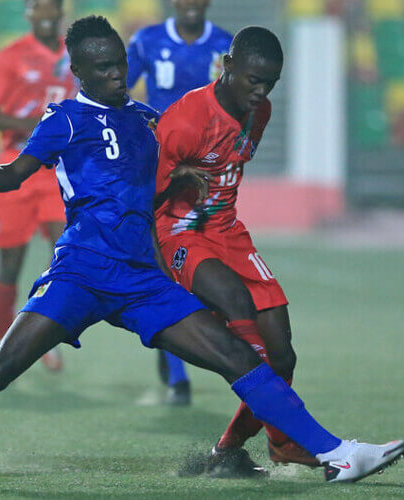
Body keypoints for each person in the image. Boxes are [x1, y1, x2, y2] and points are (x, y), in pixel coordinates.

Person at [0, 16, 404, 484]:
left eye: (120, 64)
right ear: (80, 72)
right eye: (103, 68)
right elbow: (16, 175)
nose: (117, 75)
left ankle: (335, 453)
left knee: (237, 355)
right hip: (80, 274)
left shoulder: (147, 118)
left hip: (142, 281)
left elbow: (159, 180)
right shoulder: (64, 122)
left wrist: (181, 185)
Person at [153, 27, 320, 477]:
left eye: (269, 84)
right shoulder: (186, 119)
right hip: (180, 234)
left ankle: (226, 453)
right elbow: (142, 200)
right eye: (252, 80)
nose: (260, 91)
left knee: (283, 354)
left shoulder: (258, 112)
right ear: (227, 67)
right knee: (238, 308)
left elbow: (231, 167)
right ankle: (284, 440)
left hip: (229, 234)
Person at [127, 0, 234, 404]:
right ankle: (178, 378)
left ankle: (183, 347)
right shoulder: (147, 40)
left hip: (207, 169)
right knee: (164, 262)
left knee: (205, 264)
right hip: (161, 166)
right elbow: (117, 90)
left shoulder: (225, 46)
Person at [0, 0, 76, 371]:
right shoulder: (12, 56)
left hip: (56, 171)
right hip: (14, 171)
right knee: (10, 265)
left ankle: (42, 338)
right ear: (30, 13)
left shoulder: (76, 55)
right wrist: (36, 125)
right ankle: (5, 346)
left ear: (61, 11)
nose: (47, 14)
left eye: (53, 7)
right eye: (39, 7)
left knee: (63, 254)